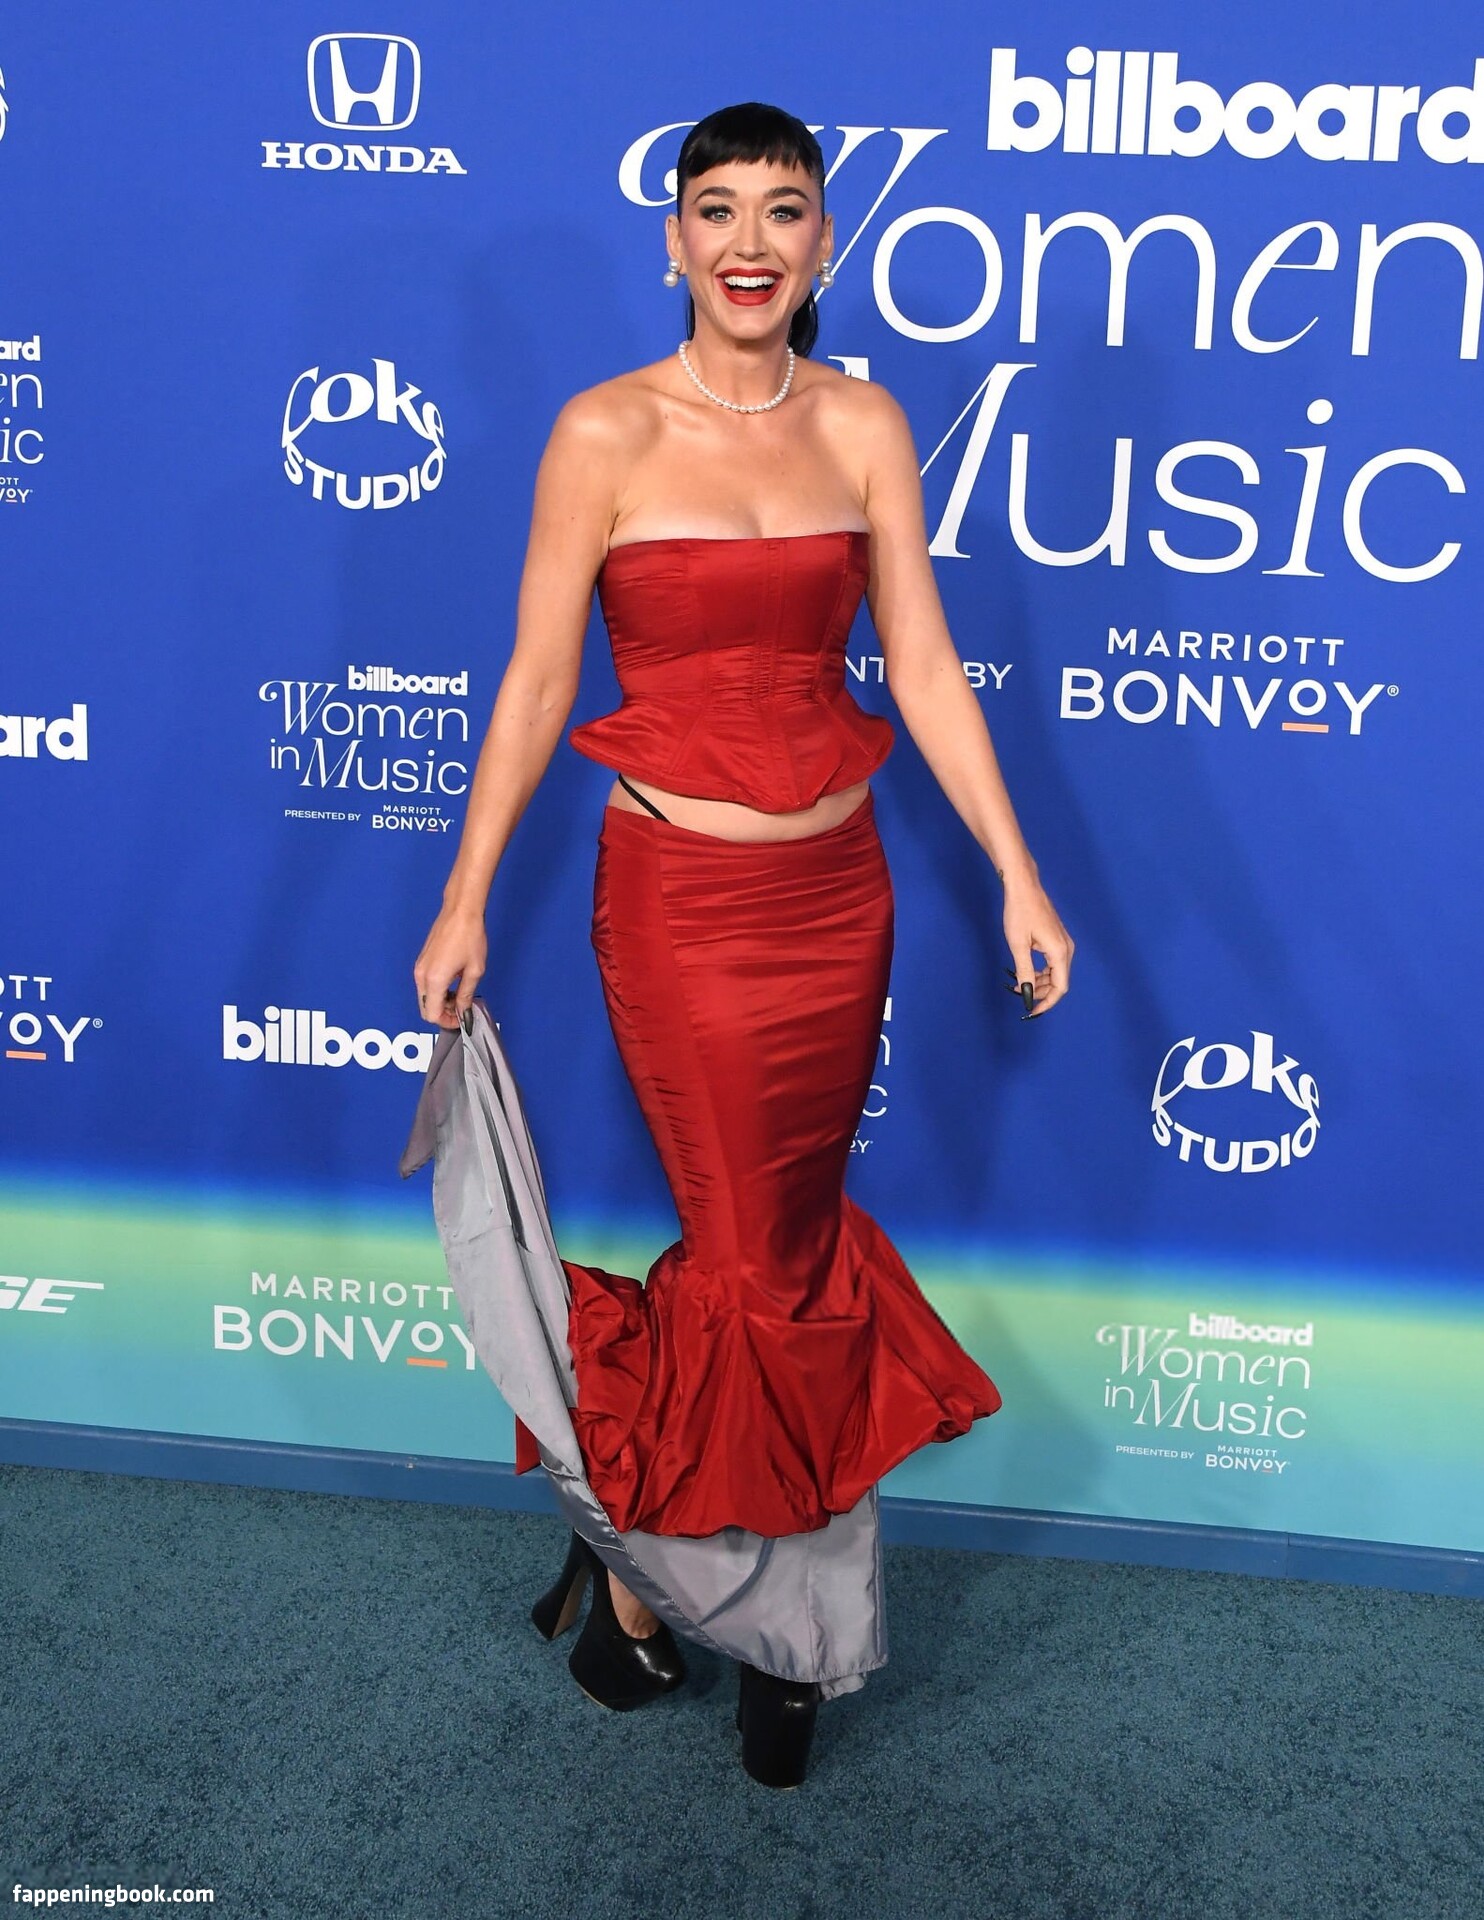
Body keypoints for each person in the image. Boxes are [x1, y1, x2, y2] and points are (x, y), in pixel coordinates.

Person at [413, 101, 1074, 1786]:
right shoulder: (604, 431)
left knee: (784, 1253)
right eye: (718, 209)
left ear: (825, 241)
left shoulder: (864, 421)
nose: (751, 242)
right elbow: (538, 684)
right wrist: (467, 890)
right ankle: (772, 1629)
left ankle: (647, 1592)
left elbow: (923, 663)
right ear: (675, 242)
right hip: (681, 912)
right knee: (759, 1269)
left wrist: (1015, 869)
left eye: (785, 210)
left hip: (841, 905)